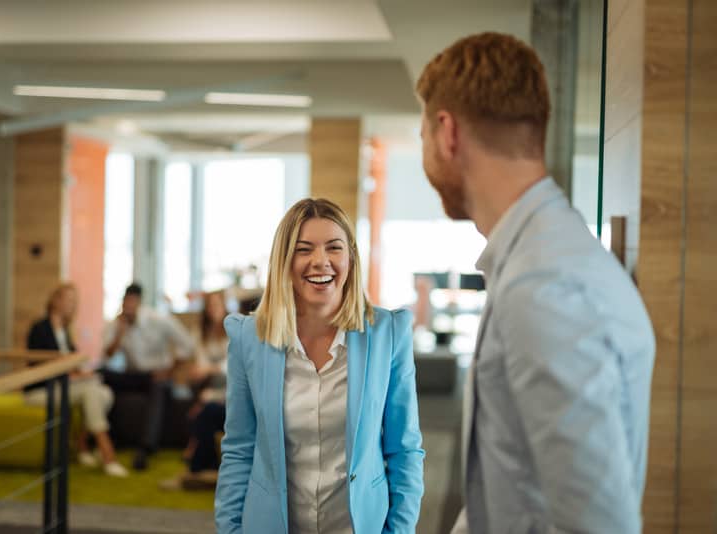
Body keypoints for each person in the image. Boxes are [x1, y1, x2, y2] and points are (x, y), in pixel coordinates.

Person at [416, 32, 656, 533]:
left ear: (447, 133)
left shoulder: (545, 284)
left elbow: (599, 524)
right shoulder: (537, 260)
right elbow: (513, 494)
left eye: (422, 138)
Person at [215, 198, 424, 533]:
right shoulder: (248, 339)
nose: (320, 261)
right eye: (304, 249)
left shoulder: (389, 334)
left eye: (333, 248)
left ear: (351, 259)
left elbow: (405, 450)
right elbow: (239, 449)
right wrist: (230, 528)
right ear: (284, 260)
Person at [24, 283, 128, 477]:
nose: (72, 304)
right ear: (55, 300)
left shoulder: (65, 331)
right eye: (68, 299)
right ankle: (107, 454)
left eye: (74, 300)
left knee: (104, 392)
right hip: (40, 390)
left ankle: (82, 445)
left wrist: (82, 373)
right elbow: (40, 365)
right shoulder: (40, 328)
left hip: (64, 387)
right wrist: (73, 374)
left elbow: (72, 365)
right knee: (91, 390)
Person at [102, 282, 195, 470]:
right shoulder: (117, 323)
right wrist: (119, 334)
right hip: (134, 376)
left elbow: (187, 344)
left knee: (157, 387)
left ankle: (145, 448)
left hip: (158, 376)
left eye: (131, 302)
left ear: (138, 302)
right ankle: (108, 441)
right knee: (102, 376)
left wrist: (170, 370)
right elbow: (108, 355)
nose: (128, 306)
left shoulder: (158, 320)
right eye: (125, 302)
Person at [159, 290, 229, 490]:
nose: (213, 310)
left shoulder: (235, 331)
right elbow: (199, 364)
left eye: (217, 305)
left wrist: (209, 369)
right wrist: (206, 371)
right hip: (212, 388)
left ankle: (196, 467)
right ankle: (201, 465)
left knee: (204, 412)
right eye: (210, 306)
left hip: (232, 391)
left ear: (224, 307)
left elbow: (234, 368)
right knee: (201, 404)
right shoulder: (201, 332)